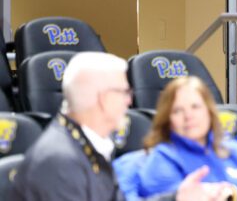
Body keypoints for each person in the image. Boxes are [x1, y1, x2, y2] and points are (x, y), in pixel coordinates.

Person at [12, 52, 217, 201]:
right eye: (125, 92)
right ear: (104, 99)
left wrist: (177, 198)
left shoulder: (85, 146)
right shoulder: (58, 162)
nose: (129, 102)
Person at [136, 77, 237, 200]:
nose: (188, 116)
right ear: (167, 118)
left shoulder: (232, 148)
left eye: (195, 107)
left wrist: (234, 194)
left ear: (209, 111)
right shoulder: (162, 159)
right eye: (178, 110)